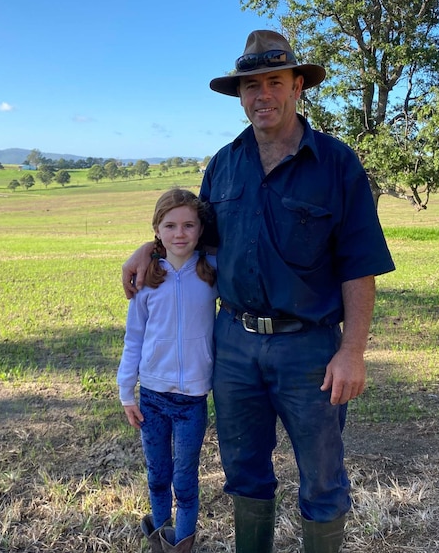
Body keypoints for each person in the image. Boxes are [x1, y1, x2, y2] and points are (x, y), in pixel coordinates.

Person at [122, 30, 395, 553]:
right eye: (251, 85)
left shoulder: (337, 165)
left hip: (310, 349)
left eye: (274, 82)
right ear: (239, 95)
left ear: (297, 87)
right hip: (234, 346)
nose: (261, 95)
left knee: (321, 476)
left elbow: (360, 267)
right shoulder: (224, 164)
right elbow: (193, 240)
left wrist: (352, 351)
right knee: (244, 471)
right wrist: (148, 248)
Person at [117, 188, 219, 553]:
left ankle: (183, 543)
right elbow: (133, 339)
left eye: (189, 225)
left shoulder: (211, 273)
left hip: (192, 398)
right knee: (158, 474)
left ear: (200, 229)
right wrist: (126, 391)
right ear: (157, 231)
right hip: (153, 398)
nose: (180, 233)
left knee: (185, 478)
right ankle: (159, 534)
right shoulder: (148, 279)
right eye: (170, 225)